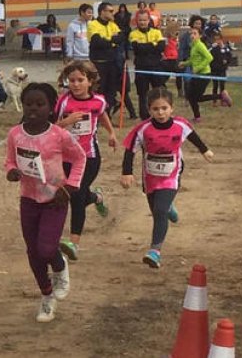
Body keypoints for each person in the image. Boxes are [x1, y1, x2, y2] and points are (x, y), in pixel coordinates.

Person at [4, 82, 86, 323]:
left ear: (51, 108)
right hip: (28, 199)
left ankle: (60, 268)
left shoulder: (59, 136)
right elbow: (10, 161)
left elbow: (80, 158)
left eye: (40, 104)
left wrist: (70, 186)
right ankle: (47, 296)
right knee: (33, 252)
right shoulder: (15, 134)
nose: (33, 109)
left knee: (47, 249)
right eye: (29, 103)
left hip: (55, 199)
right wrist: (11, 172)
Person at [120, 87, 215, 268]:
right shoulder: (143, 129)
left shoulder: (181, 125)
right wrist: (127, 172)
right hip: (150, 176)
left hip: (172, 173)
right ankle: (169, 207)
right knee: (158, 209)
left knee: (159, 211)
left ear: (171, 108)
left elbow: (194, 137)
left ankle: (155, 251)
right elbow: (130, 151)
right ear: (149, 110)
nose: (161, 112)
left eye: (164, 108)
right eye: (156, 109)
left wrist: (205, 150)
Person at [54, 61, 116, 262]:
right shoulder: (63, 102)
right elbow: (53, 126)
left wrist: (111, 133)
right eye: (71, 80)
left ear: (90, 82)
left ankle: (73, 243)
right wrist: (67, 122)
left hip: (89, 156)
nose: (75, 84)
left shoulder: (98, 101)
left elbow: (102, 114)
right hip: (66, 157)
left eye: (80, 80)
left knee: (77, 195)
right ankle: (96, 197)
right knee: (75, 194)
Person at [178, 27, 231, 122]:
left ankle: (221, 96)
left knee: (197, 97)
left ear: (200, 36)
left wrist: (198, 68)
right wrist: (184, 63)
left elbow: (209, 57)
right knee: (191, 96)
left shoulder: (199, 45)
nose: (192, 35)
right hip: (197, 75)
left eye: (195, 33)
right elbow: (193, 59)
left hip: (204, 75)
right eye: (191, 34)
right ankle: (197, 117)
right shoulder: (193, 45)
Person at [89, 2, 131, 117]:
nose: (113, 13)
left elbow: (122, 37)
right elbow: (96, 41)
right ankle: (97, 114)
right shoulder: (93, 24)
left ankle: (107, 115)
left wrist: (109, 40)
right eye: (110, 11)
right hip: (99, 63)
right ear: (103, 12)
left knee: (111, 91)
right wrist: (112, 40)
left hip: (112, 62)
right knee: (100, 90)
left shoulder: (112, 25)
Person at [129, 14, 167, 120]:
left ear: (148, 20)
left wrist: (146, 46)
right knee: (142, 94)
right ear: (137, 21)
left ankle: (161, 113)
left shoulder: (156, 32)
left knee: (159, 92)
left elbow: (161, 47)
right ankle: (144, 117)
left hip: (156, 67)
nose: (142, 22)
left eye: (144, 20)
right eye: (140, 20)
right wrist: (152, 45)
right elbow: (137, 49)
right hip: (141, 67)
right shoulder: (133, 33)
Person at [208, 30, 232, 101]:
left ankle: (223, 100)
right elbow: (208, 56)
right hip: (214, 70)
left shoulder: (226, 48)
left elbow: (229, 57)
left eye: (219, 39)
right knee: (215, 86)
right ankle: (214, 100)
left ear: (221, 39)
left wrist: (226, 61)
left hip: (222, 70)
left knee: (222, 86)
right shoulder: (212, 48)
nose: (217, 41)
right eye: (215, 39)